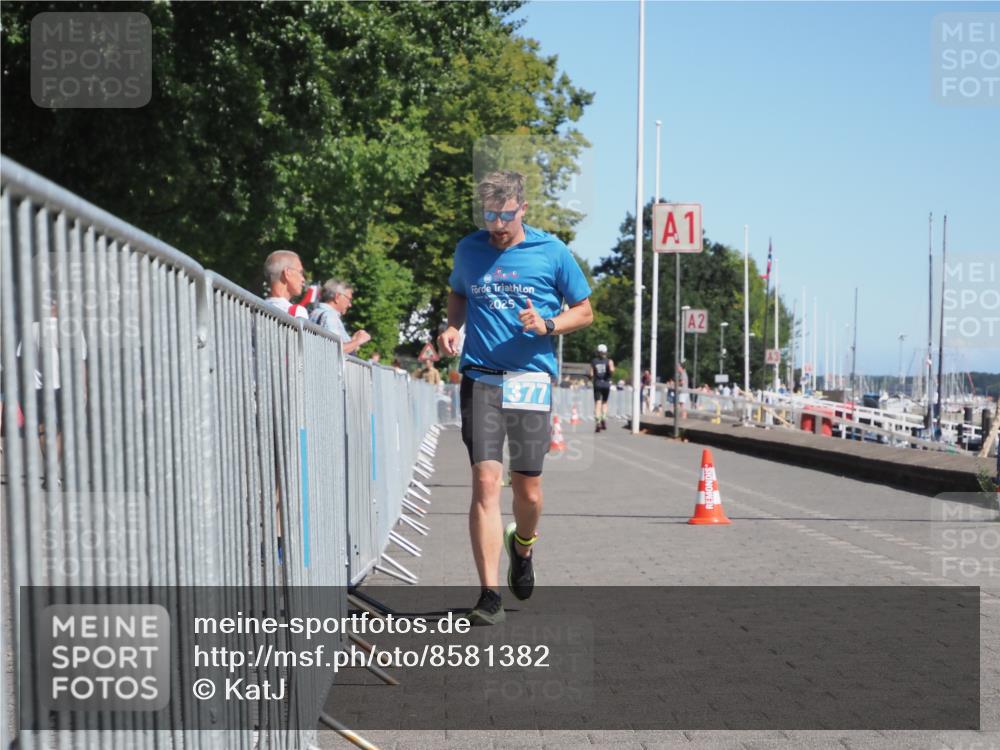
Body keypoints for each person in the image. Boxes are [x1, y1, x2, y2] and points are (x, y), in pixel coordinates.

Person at [438, 170, 593, 625]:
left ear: (522, 208)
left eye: (505, 215)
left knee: (528, 489)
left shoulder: (552, 252)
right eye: (490, 215)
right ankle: (488, 594)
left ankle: (522, 547)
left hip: (530, 379)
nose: (498, 225)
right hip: (481, 378)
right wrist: (452, 326)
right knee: (485, 483)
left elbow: (584, 311)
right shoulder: (469, 249)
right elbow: (457, 292)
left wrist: (548, 325)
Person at [309, 278, 371, 355]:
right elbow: (335, 349)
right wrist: (358, 341)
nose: (350, 305)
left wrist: (352, 341)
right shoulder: (330, 316)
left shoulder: (314, 313)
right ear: (337, 297)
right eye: (349, 299)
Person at [263, 250, 309, 319]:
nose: (303, 279)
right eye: (300, 272)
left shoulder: (254, 310)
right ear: (287, 273)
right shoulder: (297, 312)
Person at [591, 344, 614, 432]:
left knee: (597, 403)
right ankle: (603, 417)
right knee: (604, 402)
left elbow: (591, 373)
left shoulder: (594, 361)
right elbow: (612, 370)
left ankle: (598, 421)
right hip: (606, 384)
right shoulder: (609, 361)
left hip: (597, 384)